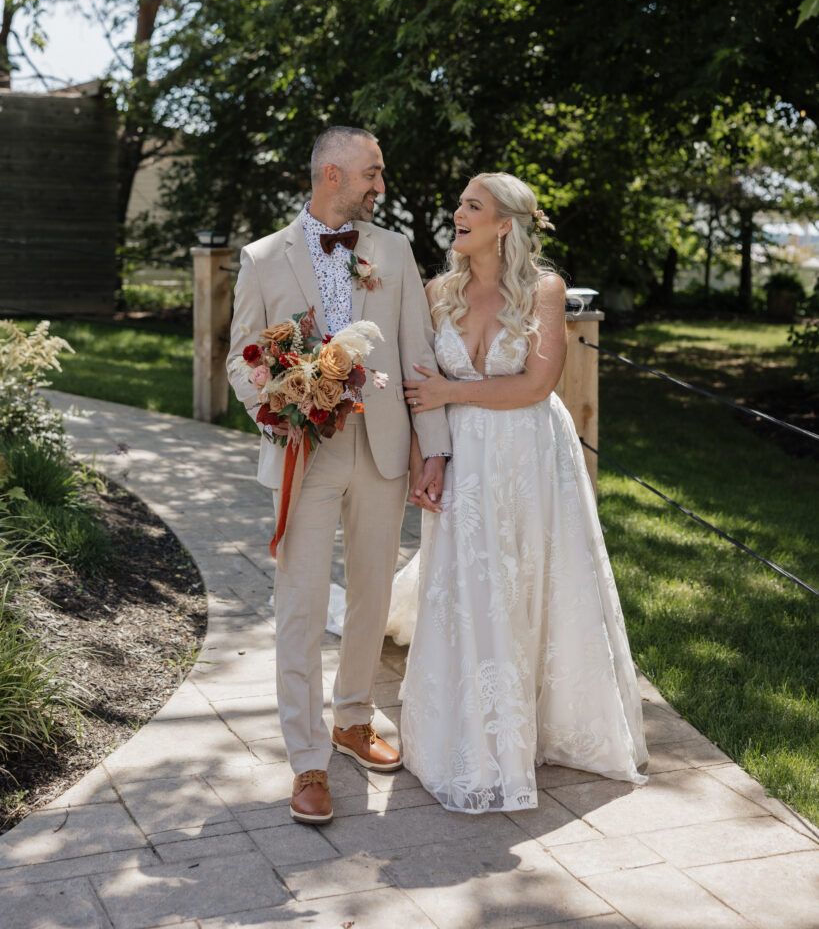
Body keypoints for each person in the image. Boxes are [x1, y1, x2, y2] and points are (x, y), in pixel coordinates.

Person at [391, 171, 648, 813]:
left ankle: (544, 721)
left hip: (529, 458)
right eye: (458, 203)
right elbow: (418, 390)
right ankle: (467, 733)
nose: (457, 213)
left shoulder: (544, 291)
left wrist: (454, 392)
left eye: (471, 206)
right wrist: (429, 459)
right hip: (463, 462)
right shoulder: (436, 292)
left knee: (530, 580)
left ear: (505, 224)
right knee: (469, 588)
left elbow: (537, 386)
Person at [226, 127, 451, 825]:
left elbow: (417, 354)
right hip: (304, 453)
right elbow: (241, 357)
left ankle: (353, 720)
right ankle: (307, 760)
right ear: (331, 173)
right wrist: (278, 399)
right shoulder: (262, 258)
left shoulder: (392, 250)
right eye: (370, 174)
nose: (378, 187)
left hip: (383, 451)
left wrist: (432, 450)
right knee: (297, 604)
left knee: (371, 595)